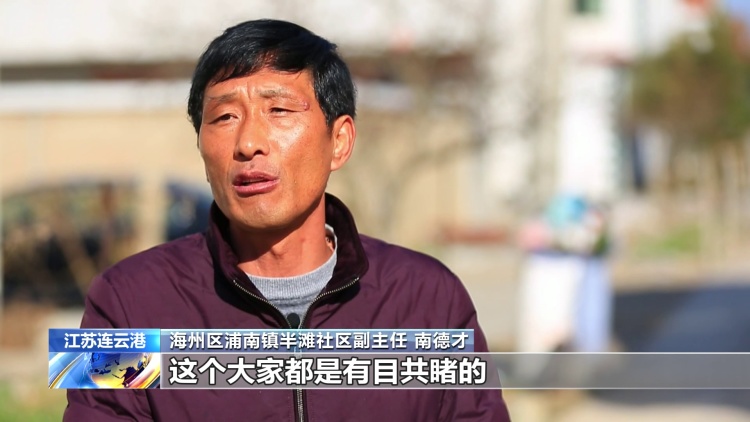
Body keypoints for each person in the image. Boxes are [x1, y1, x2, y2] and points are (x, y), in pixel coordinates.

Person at [64, 19, 511, 421]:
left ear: (339, 141)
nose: (248, 143)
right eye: (224, 116)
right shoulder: (126, 304)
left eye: (278, 110)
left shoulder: (430, 300)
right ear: (200, 144)